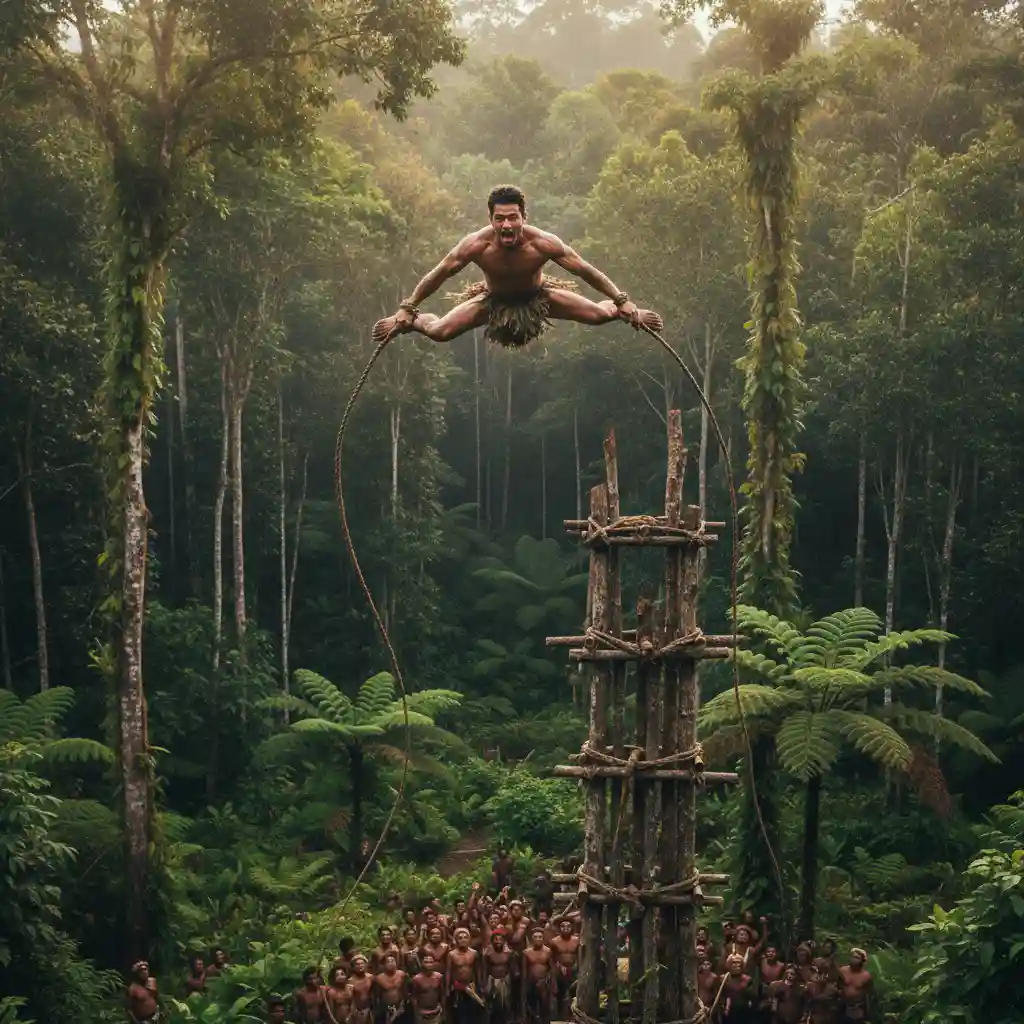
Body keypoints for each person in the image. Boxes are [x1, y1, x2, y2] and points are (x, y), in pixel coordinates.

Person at [372, 185, 663, 350]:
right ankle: (411, 323)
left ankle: (628, 315)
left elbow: (586, 271)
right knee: (438, 331)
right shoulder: (475, 245)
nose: (507, 224)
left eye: (513, 217)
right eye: (500, 218)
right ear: (491, 219)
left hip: (539, 298)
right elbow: (440, 274)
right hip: (492, 302)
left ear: (524, 216)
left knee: (600, 315)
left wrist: (622, 301)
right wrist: (408, 307)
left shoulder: (543, 243)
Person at [448, 927, 483, 1024]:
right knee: (460, 1015)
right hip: (457, 988)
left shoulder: (474, 953)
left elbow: (478, 971)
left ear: (469, 939)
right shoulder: (451, 954)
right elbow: (448, 972)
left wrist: (479, 987)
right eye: (460, 938)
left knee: (472, 1014)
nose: (463, 939)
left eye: (465, 937)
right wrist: (448, 987)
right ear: (456, 940)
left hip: (472, 987)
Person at [482, 929, 515, 1024]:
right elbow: (485, 969)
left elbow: (512, 969)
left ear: (504, 941)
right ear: (492, 941)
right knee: (493, 1006)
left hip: (505, 982)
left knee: (505, 1005)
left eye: (500, 939)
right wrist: (484, 984)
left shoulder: (509, 954)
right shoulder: (488, 954)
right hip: (492, 982)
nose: (498, 941)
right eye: (495, 939)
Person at [549, 917, 579, 1019]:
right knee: (560, 994)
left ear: (572, 927)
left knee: (574, 993)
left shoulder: (577, 940)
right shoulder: (554, 942)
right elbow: (551, 959)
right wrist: (559, 966)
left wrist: (576, 965)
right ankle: (560, 1016)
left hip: (574, 969)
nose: (565, 928)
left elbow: (581, 955)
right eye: (563, 926)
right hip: (559, 971)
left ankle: (574, 1015)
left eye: (568, 926)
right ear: (559, 928)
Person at [522, 928, 553, 1024]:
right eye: (535, 937)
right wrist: (524, 985)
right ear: (532, 939)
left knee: (545, 1006)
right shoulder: (526, 952)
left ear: (543, 938)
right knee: (531, 1006)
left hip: (544, 982)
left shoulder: (548, 951)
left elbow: (552, 968)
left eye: (540, 937)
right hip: (530, 982)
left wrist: (551, 982)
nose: (538, 939)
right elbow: (524, 970)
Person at [838, 949, 873, 1023]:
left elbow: (868, 995)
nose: (854, 959)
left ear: (862, 960)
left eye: (857, 958)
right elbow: (837, 985)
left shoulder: (866, 976)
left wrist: (866, 1013)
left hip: (857, 1008)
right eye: (853, 957)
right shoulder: (842, 970)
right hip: (842, 1005)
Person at [374, 952, 409, 1024]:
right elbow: (377, 995)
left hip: (400, 1007)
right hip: (386, 1009)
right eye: (388, 962)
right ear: (384, 965)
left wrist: (406, 1004)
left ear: (396, 963)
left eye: (392, 961)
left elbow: (405, 990)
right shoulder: (378, 978)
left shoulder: (402, 974)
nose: (390, 963)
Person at [411, 952, 445, 1024]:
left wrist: (444, 1010)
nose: (428, 964)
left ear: (434, 963)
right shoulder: (416, 979)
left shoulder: (439, 977)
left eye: (431, 962)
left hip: (436, 1012)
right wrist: (415, 1014)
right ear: (421, 963)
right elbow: (414, 997)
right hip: (422, 1014)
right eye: (426, 962)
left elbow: (442, 994)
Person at [720, 953, 754, 1024]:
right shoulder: (723, 979)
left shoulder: (747, 979)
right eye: (734, 963)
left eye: (738, 962)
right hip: (728, 1013)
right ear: (729, 965)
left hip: (744, 1013)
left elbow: (751, 998)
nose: (737, 965)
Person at [804, 960, 840, 1024]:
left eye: (818, 972)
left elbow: (837, 1006)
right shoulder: (809, 987)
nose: (814, 974)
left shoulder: (832, 989)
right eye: (812, 972)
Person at [350, 954, 375, 1024]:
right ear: (354, 967)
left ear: (365, 965)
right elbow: (350, 998)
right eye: (357, 964)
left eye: (362, 963)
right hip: (357, 1011)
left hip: (370, 1010)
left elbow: (375, 993)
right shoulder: (351, 981)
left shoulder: (371, 977)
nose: (360, 966)